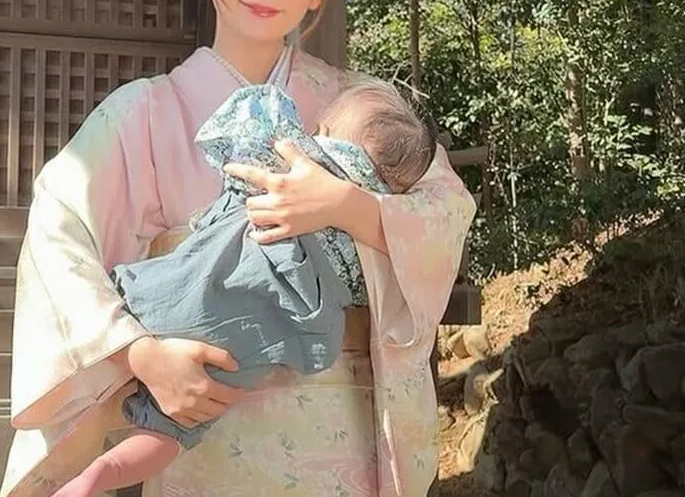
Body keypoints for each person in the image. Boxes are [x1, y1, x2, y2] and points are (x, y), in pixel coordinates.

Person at [0, 0, 476, 497]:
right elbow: (58, 233)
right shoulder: (145, 112)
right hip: (201, 413)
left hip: (340, 423)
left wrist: (346, 205)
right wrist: (139, 355)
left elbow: (446, 210)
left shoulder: (362, 105)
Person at [51, 79, 439, 496]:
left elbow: (246, 122)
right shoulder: (400, 163)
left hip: (167, 299)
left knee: (106, 371)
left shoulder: (288, 155)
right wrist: (358, 211)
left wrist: (134, 349)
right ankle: (106, 469)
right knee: (170, 431)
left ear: (324, 131)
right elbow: (430, 237)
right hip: (259, 362)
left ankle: (89, 460)